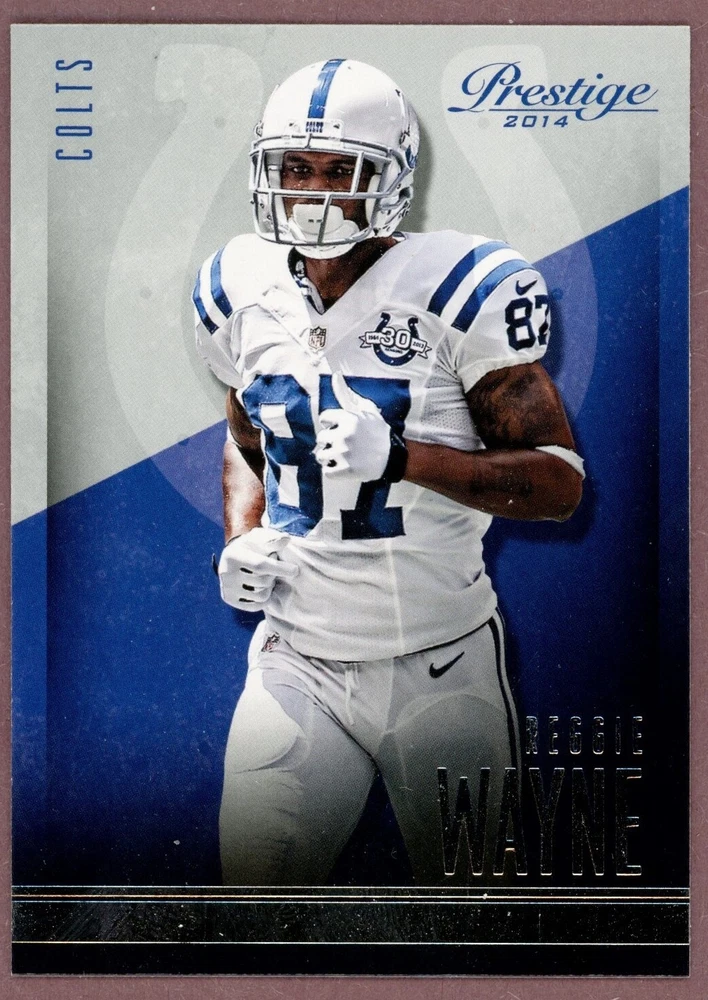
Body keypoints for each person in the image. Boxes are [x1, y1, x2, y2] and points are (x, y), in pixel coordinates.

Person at [193, 58, 583, 886]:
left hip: (441, 663)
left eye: (342, 170)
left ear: (393, 178)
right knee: (253, 910)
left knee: (471, 917)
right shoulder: (237, 285)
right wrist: (242, 534)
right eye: (296, 167)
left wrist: (404, 459)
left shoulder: (460, 286)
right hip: (295, 658)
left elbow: (557, 484)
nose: (312, 192)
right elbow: (248, 430)